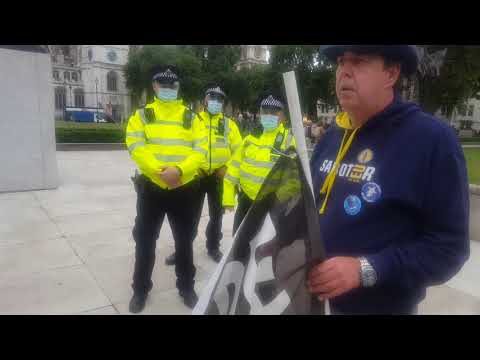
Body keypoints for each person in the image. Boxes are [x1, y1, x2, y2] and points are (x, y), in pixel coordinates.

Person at [308, 45, 470, 315]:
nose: (344, 72)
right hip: (316, 303)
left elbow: (449, 248)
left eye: (358, 61)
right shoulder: (331, 137)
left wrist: (365, 270)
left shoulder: (432, 140)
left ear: (391, 74)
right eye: (340, 62)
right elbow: (313, 207)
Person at [125, 65, 208, 313]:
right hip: (152, 188)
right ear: (155, 87)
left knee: (184, 242)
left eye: (173, 86)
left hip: (184, 189)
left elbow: (201, 148)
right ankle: (140, 290)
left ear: (178, 87)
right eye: (164, 85)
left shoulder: (191, 117)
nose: (168, 89)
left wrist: (180, 171)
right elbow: (136, 146)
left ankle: (186, 287)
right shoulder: (142, 115)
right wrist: (160, 172)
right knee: (145, 241)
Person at [164, 84, 242, 265]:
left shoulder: (229, 124)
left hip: (218, 177)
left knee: (217, 216)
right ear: (205, 100)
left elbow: (238, 151)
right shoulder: (193, 120)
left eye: (220, 99)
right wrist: (189, 167)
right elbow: (182, 146)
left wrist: (227, 167)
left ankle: (213, 247)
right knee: (190, 216)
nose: (216, 101)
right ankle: (181, 250)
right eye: (212, 97)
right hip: (196, 177)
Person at [223, 93, 296, 235]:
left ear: (283, 117)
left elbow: (293, 178)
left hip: (272, 205)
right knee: (239, 243)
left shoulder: (289, 141)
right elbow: (234, 167)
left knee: (265, 249)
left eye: (274, 112)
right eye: (265, 112)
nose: (269, 115)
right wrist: (228, 198)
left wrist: (280, 201)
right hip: (246, 201)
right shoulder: (250, 138)